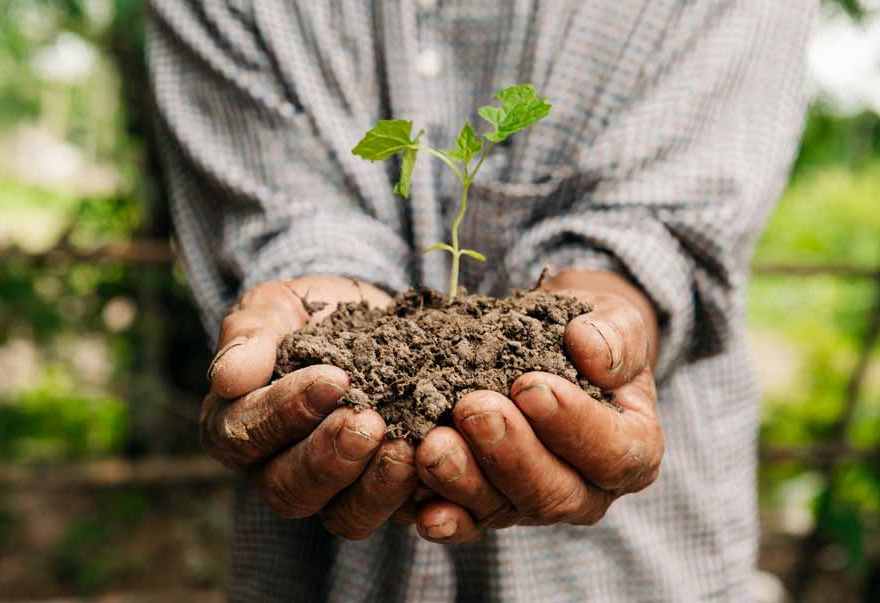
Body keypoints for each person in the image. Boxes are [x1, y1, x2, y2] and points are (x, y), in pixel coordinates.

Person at [147, 1, 814, 601]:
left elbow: (667, 218)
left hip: (642, 570)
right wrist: (316, 294)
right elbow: (283, 209)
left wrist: (608, 301)